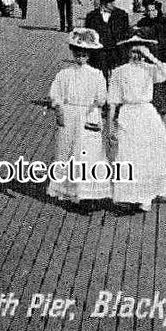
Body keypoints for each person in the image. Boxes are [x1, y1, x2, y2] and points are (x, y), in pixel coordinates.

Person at [107, 31, 166, 212]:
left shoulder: (150, 69)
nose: (136, 55)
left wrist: (151, 56)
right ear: (127, 52)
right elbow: (113, 101)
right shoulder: (118, 72)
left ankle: (147, 194)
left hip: (147, 113)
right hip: (128, 114)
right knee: (129, 154)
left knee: (150, 153)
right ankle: (131, 195)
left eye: (139, 52)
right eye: (133, 51)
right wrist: (110, 127)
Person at [45, 28, 112, 211]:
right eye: (77, 54)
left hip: (89, 114)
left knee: (88, 154)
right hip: (70, 115)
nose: (80, 57)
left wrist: (94, 105)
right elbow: (55, 94)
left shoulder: (96, 74)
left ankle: (88, 194)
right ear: (73, 53)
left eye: (84, 54)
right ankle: (70, 191)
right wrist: (59, 109)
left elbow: (101, 97)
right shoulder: (64, 74)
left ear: (89, 55)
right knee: (67, 152)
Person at [83, 0, 132, 78]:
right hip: (98, 56)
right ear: (103, 3)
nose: (114, 4)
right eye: (111, 2)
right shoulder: (91, 16)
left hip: (117, 55)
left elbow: (126, 35)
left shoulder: (122, 15)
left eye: (114, 1)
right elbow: (88, 37)